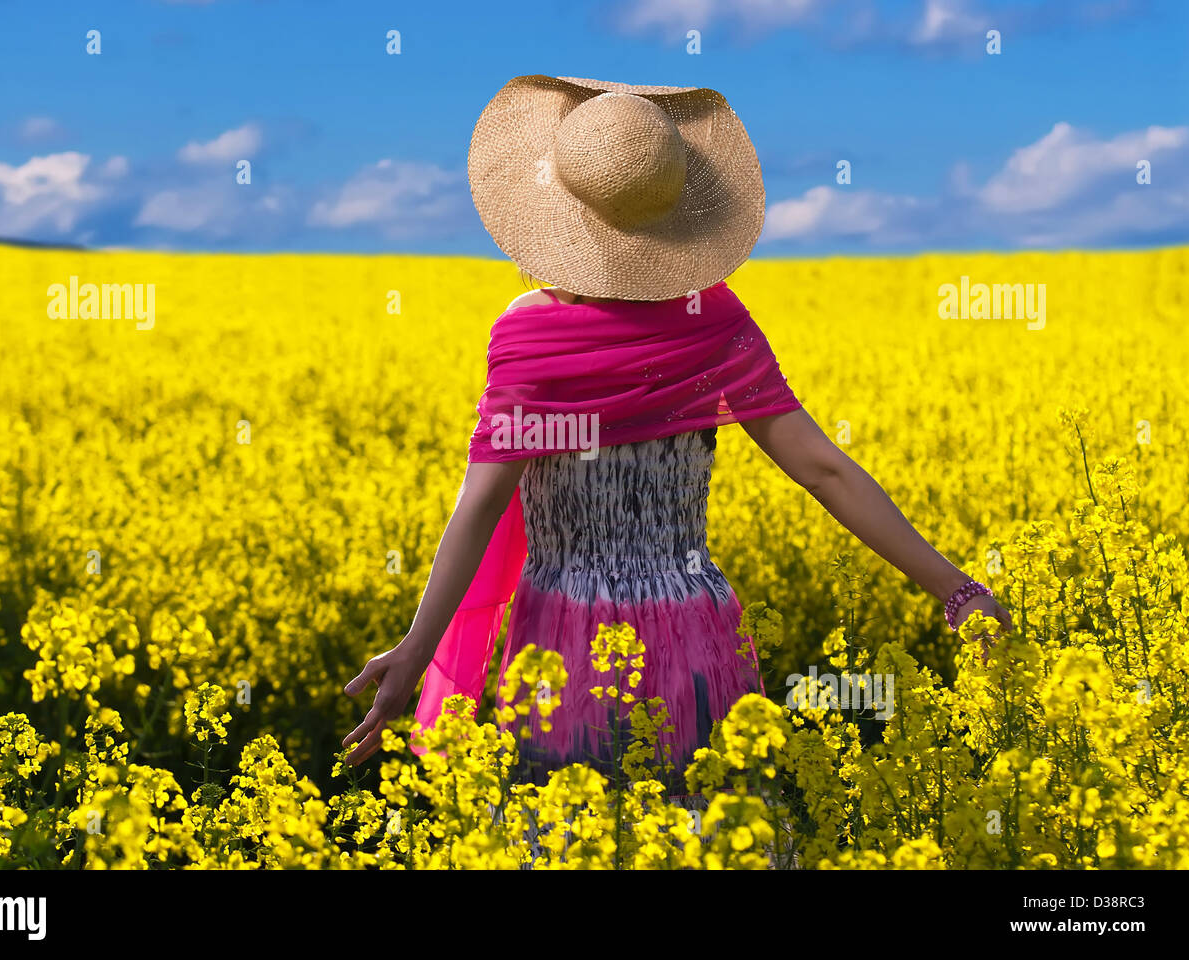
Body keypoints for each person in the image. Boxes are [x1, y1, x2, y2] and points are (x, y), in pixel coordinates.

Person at [343, 75, 1011, 796]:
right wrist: (956, 590)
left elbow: (479, 508)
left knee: (572, 836)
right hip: (694, 628)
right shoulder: (714, 323)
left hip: (563, 638)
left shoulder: (530, 336)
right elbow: (824, 470)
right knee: (704, 830)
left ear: (562, 211)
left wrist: (417, 651)